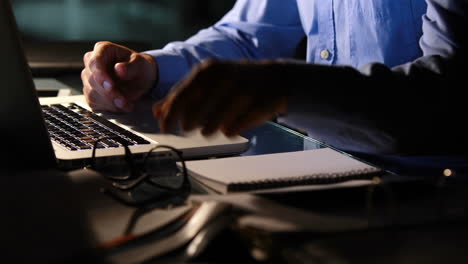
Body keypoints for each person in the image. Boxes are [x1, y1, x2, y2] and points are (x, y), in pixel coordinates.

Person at [82, 0, 467, 160]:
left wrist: (286, 89)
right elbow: (248, 36)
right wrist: (149, 71)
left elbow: (449, 95)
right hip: (324, 170)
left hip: (432, 196)